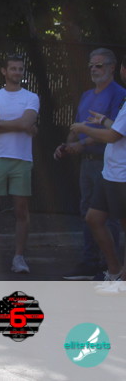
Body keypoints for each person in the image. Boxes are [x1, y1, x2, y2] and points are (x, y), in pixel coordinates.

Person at [55, 48, 126, 280]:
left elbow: (113, 134)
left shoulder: (120, 95)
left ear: (115, 68)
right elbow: (82, 126)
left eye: (99, 65)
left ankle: (112, 271)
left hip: (116, 170)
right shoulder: (88, 95)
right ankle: (102, 267)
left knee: (115, 220)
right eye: (91, 66)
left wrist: (84, 137)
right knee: (91, 216)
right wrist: (68, 145)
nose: (94, 69)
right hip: (102, 168)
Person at [0, 54, 39, 273]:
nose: (17, 72)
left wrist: (0, 123)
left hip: (22, 160)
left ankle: (18, 257)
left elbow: (26, 122)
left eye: (20, 69)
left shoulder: (31, 97)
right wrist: (21, 125)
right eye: (13, 68)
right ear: (4, 71)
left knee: (21, 210)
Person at [71, 104, 126, 293]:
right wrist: (103, 120)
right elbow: (119, 129)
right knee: (93, 219)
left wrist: (84, 129)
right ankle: (114, 271)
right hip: (109, 173)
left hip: (122, 177)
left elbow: (112, 136)